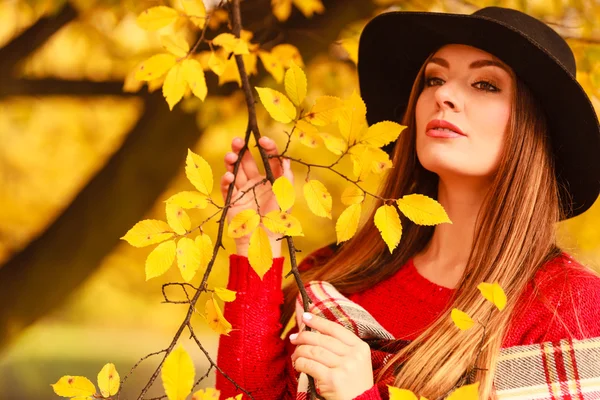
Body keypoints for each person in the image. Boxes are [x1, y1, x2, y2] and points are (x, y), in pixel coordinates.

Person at [215, 6, 600, 400]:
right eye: (434, 78)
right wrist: (256, 242)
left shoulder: (567, 306)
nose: (444, 95)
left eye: (485, 84)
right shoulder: (334, 273)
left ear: (533, 129)